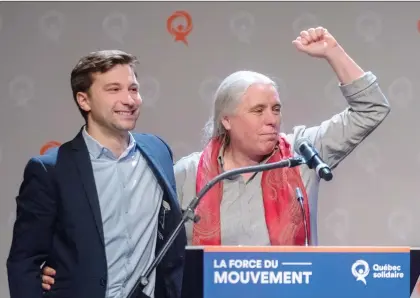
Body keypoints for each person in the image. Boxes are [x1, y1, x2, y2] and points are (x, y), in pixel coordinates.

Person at [40, 26, 391, 289]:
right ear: (227, 119)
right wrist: (65, 266)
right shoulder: (187, 173)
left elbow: (371, 110)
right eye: (258, 110)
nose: (272, 119)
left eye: (276, 109)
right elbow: (132, 234)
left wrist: (333, 51)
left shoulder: (301, 153)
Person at [7, 50, 186, 298]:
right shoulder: (51, 170)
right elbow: (23, 261)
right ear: (84, 100)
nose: (129, 100)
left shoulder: (158, 151)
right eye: (114, 89)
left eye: (133, 89)